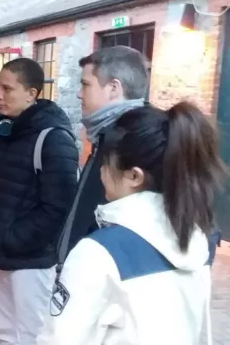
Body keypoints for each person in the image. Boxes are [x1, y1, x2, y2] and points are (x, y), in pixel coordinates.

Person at [38, 102, 224, 344]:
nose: (101, 172)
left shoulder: (98, 254)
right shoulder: (194, 241)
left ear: (134, 176)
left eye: (105, 163)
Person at [0, 58, 79, 345]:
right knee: (7, 335)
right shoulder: (10, 131)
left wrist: (11, 239)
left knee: (34, 337)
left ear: (31, 93)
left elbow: (58, 207)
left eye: (8, 88)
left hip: (29, 260)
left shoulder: (54, 138)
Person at [57, 45, 148, 263]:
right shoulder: (106, 136)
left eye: (86, 85)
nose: (79, 94)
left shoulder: (135, 143)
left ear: (114, 88)